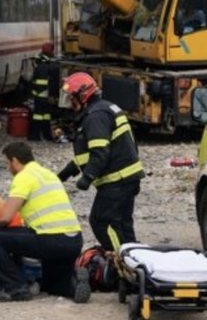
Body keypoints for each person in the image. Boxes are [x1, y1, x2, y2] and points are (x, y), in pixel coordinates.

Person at [0, 142, 89, 303]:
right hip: (73, 241)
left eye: (8, 163)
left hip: (50, 239)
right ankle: (73, 285)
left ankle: (15, 288)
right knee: (52, 285)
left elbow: (5, 217)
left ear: (15, 160)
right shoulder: (48, 174)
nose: (8, 168)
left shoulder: (23, 177)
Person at [57, 72, 144, 250]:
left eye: (72, 98)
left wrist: (87, 178)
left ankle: (118, 257)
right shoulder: (104, 108)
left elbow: (99, 153)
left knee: (101, 221)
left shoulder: (95, 116)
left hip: (117, 180)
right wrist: (65, 174)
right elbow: (88, 154)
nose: (70, 103)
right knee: (122, 224)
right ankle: (134, 257)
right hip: (127, 178)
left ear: (82, 96)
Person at [28, 42, 59, 142]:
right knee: (42, 115)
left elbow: (33, 81)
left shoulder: (39, 65)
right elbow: (53, 83)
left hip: (39, 95)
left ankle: (41, 135)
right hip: (45, 95)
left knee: (43, 115)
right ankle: (39, 135)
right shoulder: (51, 66)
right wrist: (53, 96)